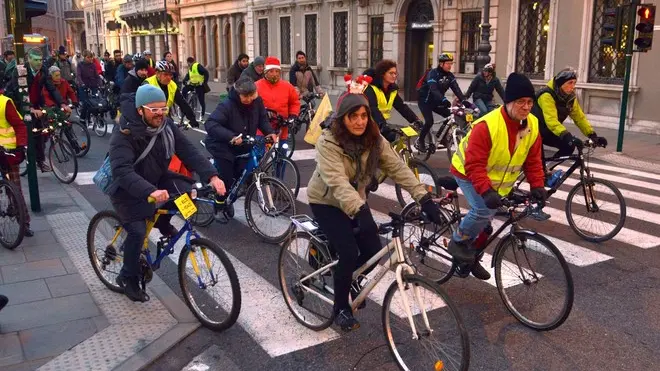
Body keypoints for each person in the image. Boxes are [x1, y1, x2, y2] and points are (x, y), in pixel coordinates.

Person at [307, 82, 445, 331]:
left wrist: (423, 198)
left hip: (355, 199)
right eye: (353, 117)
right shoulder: (328, 142)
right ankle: (340, 308)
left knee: (372, 250)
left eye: (364, 116)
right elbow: (337, 183)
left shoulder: (374, 138)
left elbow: (397, 167)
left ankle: (347, 276)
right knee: (348, 251)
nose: (359, 122)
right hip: (326, 200)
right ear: (343, 118)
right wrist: (360, 211)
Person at [109, 84, 225, 302]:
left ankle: (163, 223)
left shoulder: (167, 126)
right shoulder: (124, 133)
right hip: (127, 188)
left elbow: (188, 151)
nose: (160, 114)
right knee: (137, 231)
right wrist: (150, 191)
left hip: (156, 178)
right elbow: (122, 171)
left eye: (163, 108)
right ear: (140, 110)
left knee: (185, 192)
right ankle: (128, 278)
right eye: (154, 110)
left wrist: (212, 176)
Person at [447, 72, 547, 280]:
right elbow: (474, 164)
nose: (527, 107)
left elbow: (533, 159)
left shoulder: (533, 124)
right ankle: (458, 240)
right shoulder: (488, 126)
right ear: (509, 102)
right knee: (483, 210)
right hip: (467, 171)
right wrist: (486, 191)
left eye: (530, 102)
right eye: (521, 102)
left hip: (496, 180)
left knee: (488, 223)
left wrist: (537, 186)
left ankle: (472, 258)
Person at [204, 76, 278, 213]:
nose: (249, 99)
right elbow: (210, 124)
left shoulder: (257, 102)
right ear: (238, 94)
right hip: (221, 144)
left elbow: (262, 119)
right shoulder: (227, 105)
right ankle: (219, 205)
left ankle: (232, 194)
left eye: (252, 95)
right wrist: (231, 137)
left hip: (243, 143)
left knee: (242, 171)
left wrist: (270, 132)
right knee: (226, 176)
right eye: (245, 96)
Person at [5, 47, 70, 172]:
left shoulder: (44, 70)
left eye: (40, 59)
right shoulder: (20, 71)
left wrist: (62, 103)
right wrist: (29, 108)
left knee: (41, 131)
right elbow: (17, 91)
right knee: (24, 131)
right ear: (29, 59)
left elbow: (51, 88)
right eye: (35, 60)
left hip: (35, 102)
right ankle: (18, 156)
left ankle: (40, 160)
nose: (39, 62)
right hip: (18, 103)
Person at [532, 68, 608, 169]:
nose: (573, 86)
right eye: (570, 83)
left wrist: (592, 135)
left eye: (574, 83)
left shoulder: (570, 98)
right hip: (534, 132)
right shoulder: (547, 95)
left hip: (549, 131)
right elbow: (551, 120)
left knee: (568, 146)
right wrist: (566, 135)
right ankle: (540, 173)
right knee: (538, 165)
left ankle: (548, 168)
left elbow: (579, 117)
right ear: (561, 83)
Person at [416, 52, 468, 153]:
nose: (450, 66)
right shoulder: (433, 73)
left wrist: (465, 102)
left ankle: (441, 136)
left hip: (437, 102)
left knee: (450, 115)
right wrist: (444, 100)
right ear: (441, 64)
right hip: (425, 101)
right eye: (448, 63)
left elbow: (456, 90)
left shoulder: (450, 76)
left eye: (451, 63)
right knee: (429, 121)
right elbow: (434, 89)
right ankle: (421, 140)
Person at [362, 60, 422, 142]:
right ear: (382, 74)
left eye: (395, 73)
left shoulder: (392, 90)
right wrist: (382, 125)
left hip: (382, 123)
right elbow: (373, 108)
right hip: (368, 124)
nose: (394, 76)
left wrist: (415, 119)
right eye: (391, 73)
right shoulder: (371, 88)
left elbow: (401, 107)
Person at [0, 89, 33, 236]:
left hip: (7, 152)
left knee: (15, 188)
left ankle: (23, 222)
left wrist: (21, 145)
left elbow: (19, 126)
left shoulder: (4, 102)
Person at [255, 57, 300, 145]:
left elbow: (294, 102)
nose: (274, 74)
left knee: (282, 153)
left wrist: (293, 115)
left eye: (277, 71)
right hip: (262, 127)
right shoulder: (257, 86)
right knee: (260, 152)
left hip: (282, 127)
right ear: (265, 72)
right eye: (271, 71)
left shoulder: (287, 86)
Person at [144, 61, 199, 127]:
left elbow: (182, 103)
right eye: (165, 74)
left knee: (178, 136)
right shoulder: (148, 84)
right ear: (157, 73)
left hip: (165, 117)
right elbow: (141, 106)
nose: (169, 77)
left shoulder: (172, 85)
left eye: (170, 75)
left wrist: (192, 119)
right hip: (150, 118)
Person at [77, 50, 102, 127]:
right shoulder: (80, 65)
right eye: (88, 57)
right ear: (84, 57)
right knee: (86, 103)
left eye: (91, 57)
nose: (90, 59)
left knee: (96, 101)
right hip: (84, 86)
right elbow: (78, 76)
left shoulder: (93, 65)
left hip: (93, 85)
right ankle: (82, 119)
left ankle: (97, 118)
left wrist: (100, 83)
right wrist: (82, 84)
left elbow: (96, 75)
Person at [182, 57, 209, 121]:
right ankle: (184, 102)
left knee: (201, 101)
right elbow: (187, 76)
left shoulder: (198, 66)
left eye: (188, 63)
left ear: (189, 62)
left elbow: (206, 72)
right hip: (192, 85)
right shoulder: (190, 69)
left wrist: (204, 82)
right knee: (184, 90)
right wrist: (184, 81)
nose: (188, 64)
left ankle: (201, 115)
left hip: (199, 86)